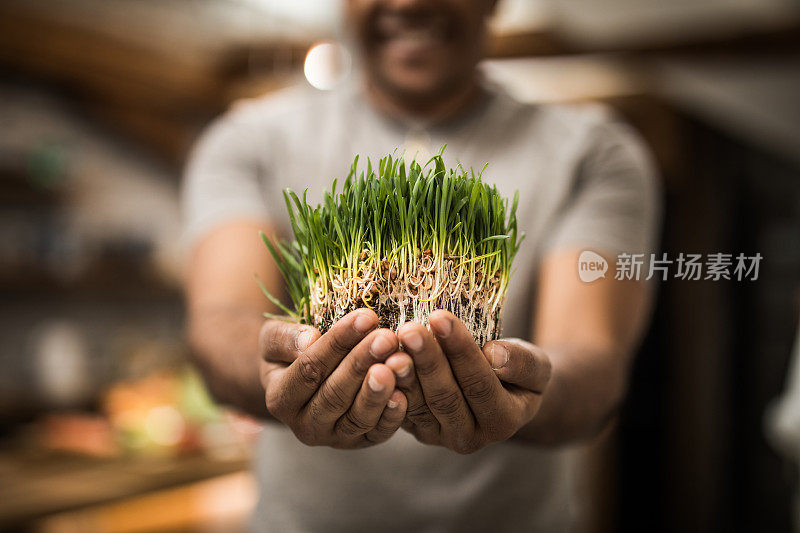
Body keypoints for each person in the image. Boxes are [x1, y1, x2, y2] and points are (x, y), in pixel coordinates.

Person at [182, 0, 661, 530]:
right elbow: (219, 321)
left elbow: (591, 361)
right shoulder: (247, 139)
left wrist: (523, 390)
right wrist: (280, 369)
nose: (408, 3)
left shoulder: (593, 152)